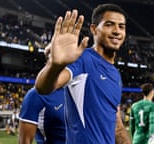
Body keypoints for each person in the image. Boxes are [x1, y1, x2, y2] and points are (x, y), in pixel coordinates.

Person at [35, 3, 131, 144]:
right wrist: (55, 65)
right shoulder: (83, 59)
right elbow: (44, 87)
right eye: (109, 25)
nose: (117, 31)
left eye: (121, 26)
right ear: (94, 29)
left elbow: (117, 127)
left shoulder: (116, 74)